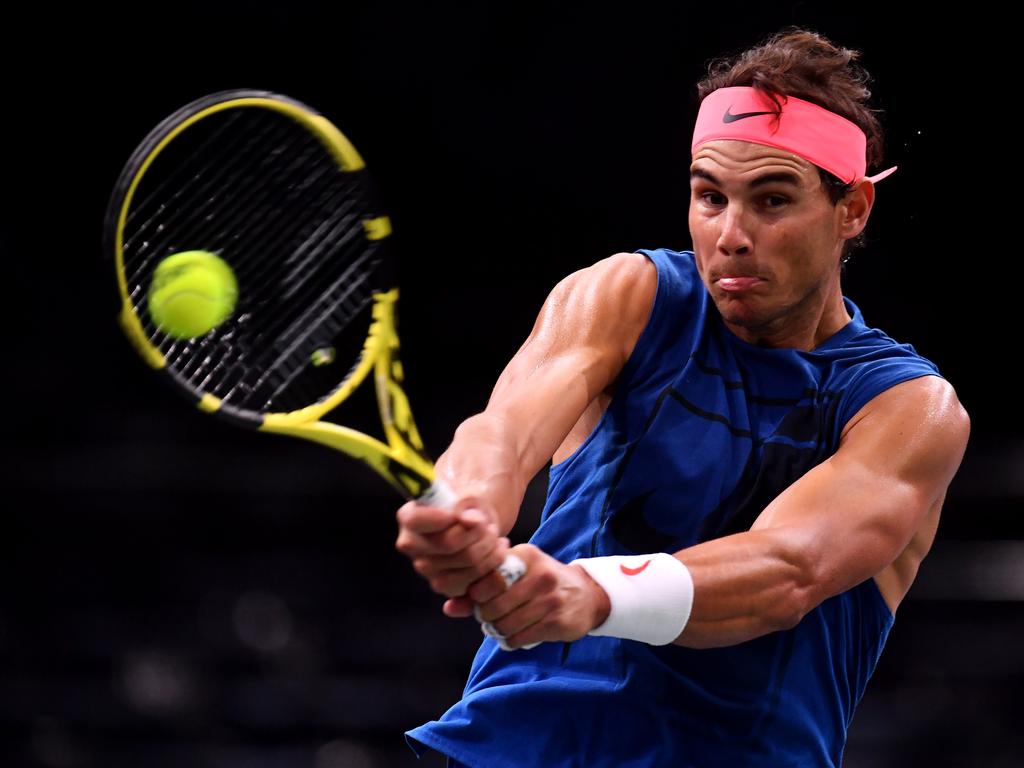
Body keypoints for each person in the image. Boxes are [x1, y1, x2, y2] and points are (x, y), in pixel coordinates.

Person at [396, 27, 970, 768]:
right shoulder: (629, 297)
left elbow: (786, 569)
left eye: (772, 199)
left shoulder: (906, 409)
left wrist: (589, 594)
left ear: (852, 209)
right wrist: (469, 503)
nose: (730, 234)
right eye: (709, 196)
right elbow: (503, 431)